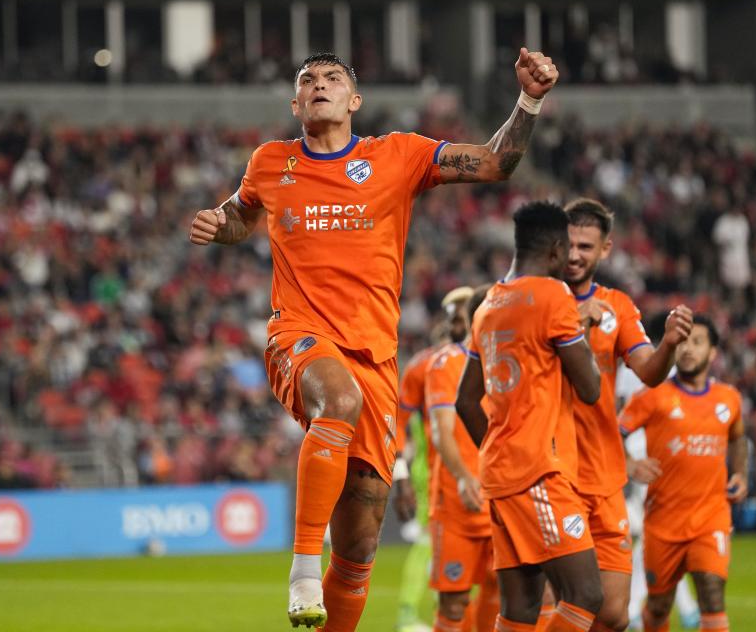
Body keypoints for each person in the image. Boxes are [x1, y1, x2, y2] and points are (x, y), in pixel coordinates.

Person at [189, 49, 560, 630]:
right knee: (336, 401)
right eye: (306, 80)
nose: (318, 85)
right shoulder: (270, 162)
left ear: (353, 101)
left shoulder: (397, 155)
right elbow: (242, 213)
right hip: (299, 335)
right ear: (294, 103)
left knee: (360, 549)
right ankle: (302, 568)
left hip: (375, 357)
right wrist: (220, 224)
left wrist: (529, 99)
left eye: (332, 78)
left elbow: (494, 163)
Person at [455, 201, 603, 632]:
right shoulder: (553, 295)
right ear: (556, 250)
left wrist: (502, 446)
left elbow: (465, 401)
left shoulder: (486, 306)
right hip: (538, 471)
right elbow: (591, 389)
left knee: (519, 608)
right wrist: (583, 331)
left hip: (500, 472)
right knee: (585, 594)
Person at [551, 198, 693, 632]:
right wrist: (574, 322)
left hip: (605, 474)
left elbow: (649, 371)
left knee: (611, 613)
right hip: (551, 472)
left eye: (586, 247)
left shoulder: (618, 307)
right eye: (570, 244)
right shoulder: (535, 298)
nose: (575, 255)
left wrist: (669, 344)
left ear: (605, 250)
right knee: (550, 603)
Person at [618, 317, 748, 632]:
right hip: (663, 522)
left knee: (712, 596)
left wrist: (741, 473)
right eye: (683, 342)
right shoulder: (652, 396)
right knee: (660, 606)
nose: (688, 349)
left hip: (711, 517)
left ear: (713, 352)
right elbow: (613, 431)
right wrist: (628, 464)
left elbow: (738, 437)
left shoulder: (728, 398)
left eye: (698, 342)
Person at [425, 285, 498, 632]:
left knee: (506, 592)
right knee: (453, 604)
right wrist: (465, 476)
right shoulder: (446, 363)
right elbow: (441, 431)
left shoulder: (510, 360)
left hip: (501, 498)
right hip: (458, 502)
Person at [395, 320, 450, 632]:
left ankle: (449, 611)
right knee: (429, 541)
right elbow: (400, 422)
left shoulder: (472, 358)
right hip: (431, 469)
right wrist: (401, 470)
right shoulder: (424, 367)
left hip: (466, 467)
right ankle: (407, 612)